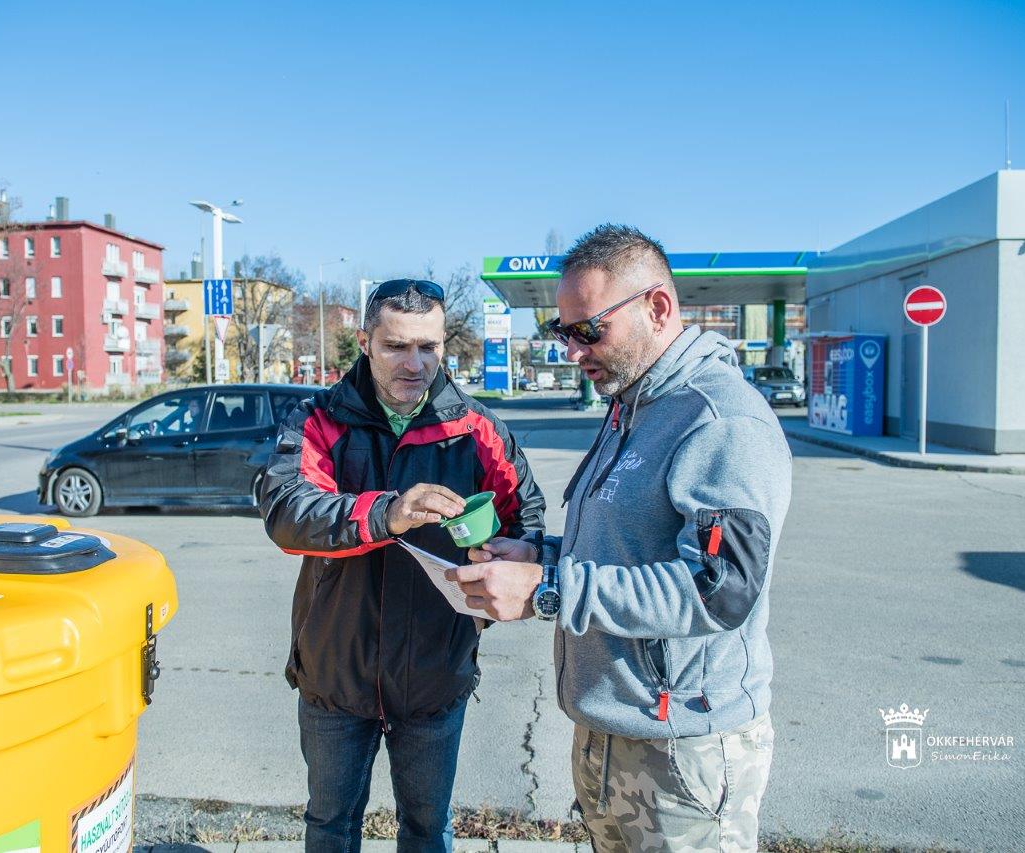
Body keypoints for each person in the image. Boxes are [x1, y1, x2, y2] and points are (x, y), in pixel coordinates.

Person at [447, 225, 792, 852]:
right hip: (611, 733)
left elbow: (718, 591)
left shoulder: (720, 421)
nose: (573, 351)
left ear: (657, 308)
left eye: (588, 331)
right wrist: (539, 555)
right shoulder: (632, 407)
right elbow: (625, 548)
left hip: (681, 749)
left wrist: (548, 588)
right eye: (562, 332)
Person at [259, 278, 546, 853]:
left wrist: (507, 557)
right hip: (335, 673)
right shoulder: (317, 419)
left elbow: (527, 516)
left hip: (434, 673)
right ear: (365, 342)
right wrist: (387, 513)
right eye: (396, 346)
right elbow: (287, 514)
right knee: (330, 826)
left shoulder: (476, 427)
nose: (415, 363)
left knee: (426, 829)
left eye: (429, 347)